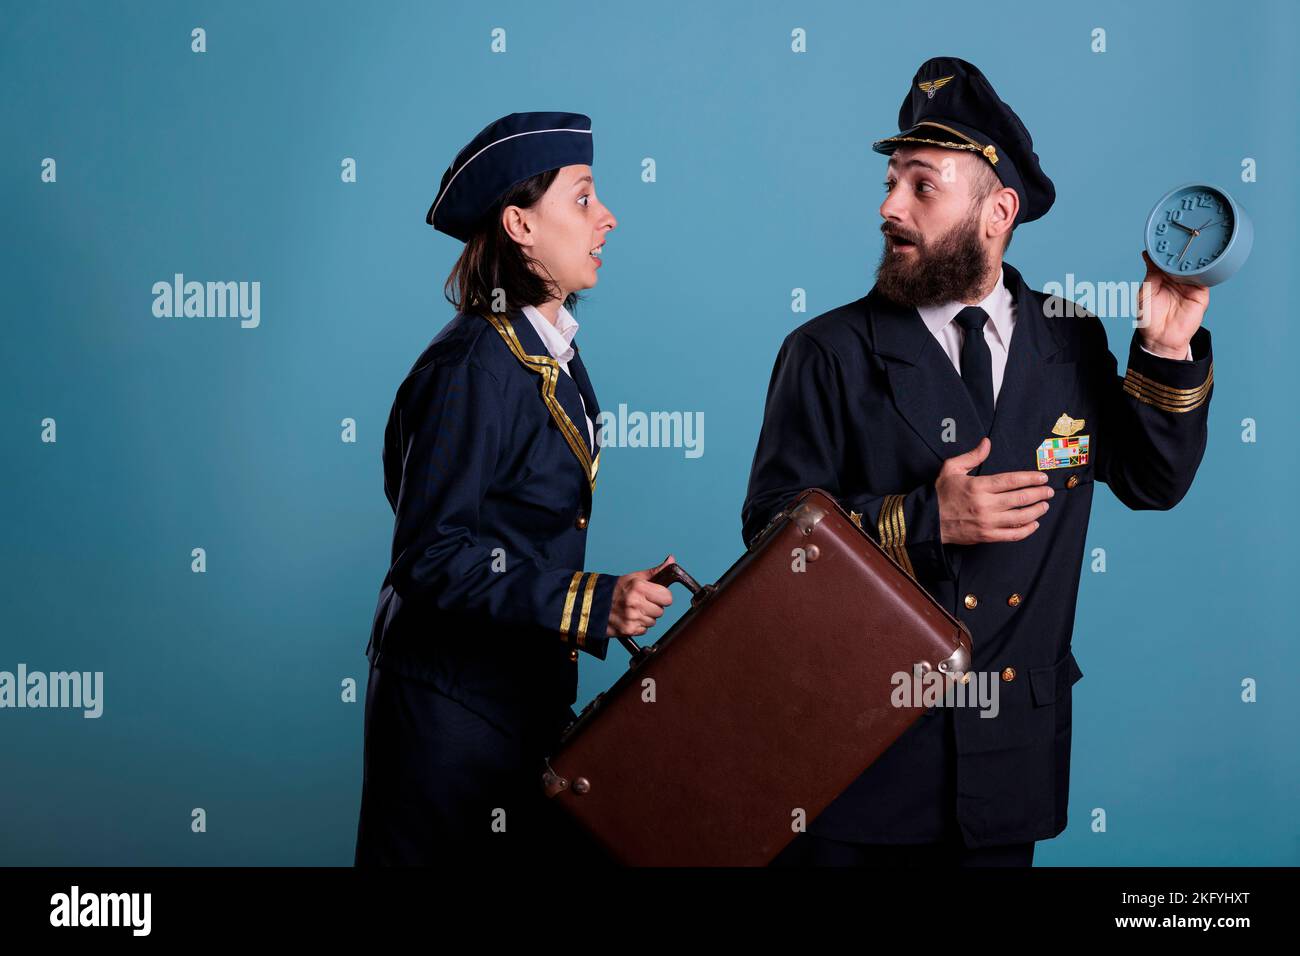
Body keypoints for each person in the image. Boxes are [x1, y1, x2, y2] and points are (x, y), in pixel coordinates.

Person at [742, 58, 1214, 867]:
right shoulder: (824, 352)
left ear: (998, 211)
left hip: (1008, 768)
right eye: (891, 181)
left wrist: (1166, 348)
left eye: (922, 186)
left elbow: (1151, 481)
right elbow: (767, 544)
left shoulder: (1069, 337)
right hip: (859, 768)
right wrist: (926, 520)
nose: (889, 206)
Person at [354, 111, 675, 866]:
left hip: (516, 704)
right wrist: (592, 601)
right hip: (450, 719)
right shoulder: (472, 364)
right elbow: (431, 554)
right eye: (584, 198)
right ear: (519, 225)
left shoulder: (546, 352)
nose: (607, 217)